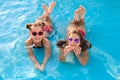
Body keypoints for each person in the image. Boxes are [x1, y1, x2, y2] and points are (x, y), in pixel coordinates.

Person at [25, 2, 56, 71]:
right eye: (34, 34)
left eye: (40, 33)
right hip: (39, 27)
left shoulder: (46, 41)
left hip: (47, 28)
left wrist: (43, 64)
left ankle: (47, 13)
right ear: (30, 33)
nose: (37, 36)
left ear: (42, 33)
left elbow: (47, 54)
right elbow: (30, 54)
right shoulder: (28, 42)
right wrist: (36, 63)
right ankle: (46, 13)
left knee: (48, 22)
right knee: (38, 22)